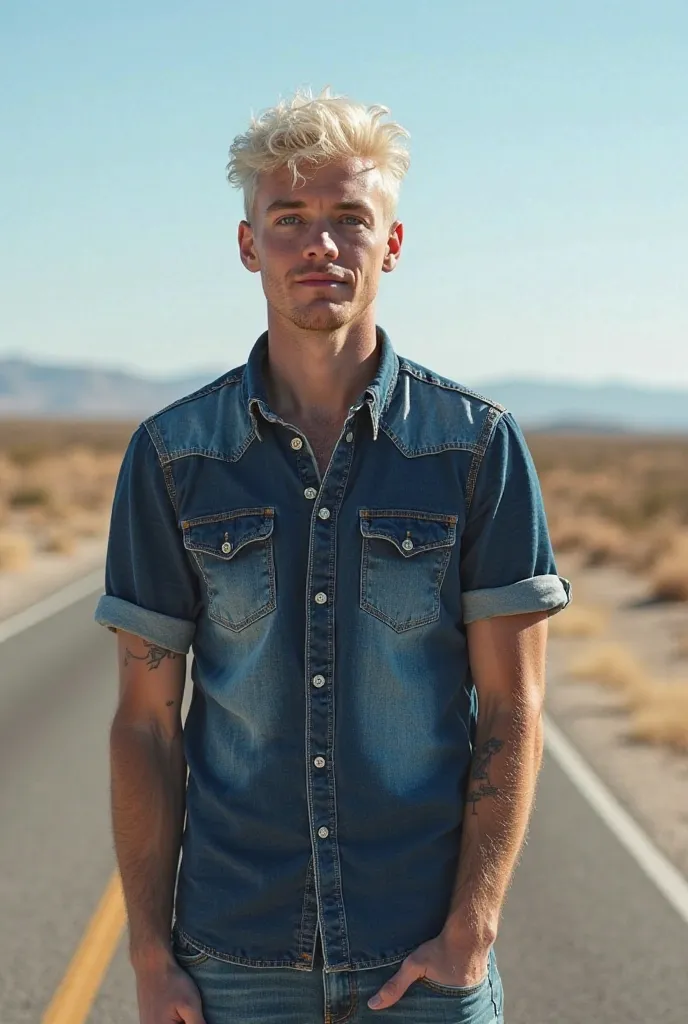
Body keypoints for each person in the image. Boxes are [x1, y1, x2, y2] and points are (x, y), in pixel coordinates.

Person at [95, 87, 571, 1024]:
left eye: (349, 218)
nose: (321, 244)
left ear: (391, 244)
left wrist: (472, 928)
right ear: (249, 247)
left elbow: (514, 709)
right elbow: (146, 724)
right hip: (232, 963)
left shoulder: (473, 449)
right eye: (289, 219)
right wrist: (150, 955)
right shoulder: (173, 457)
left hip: (424, 964)